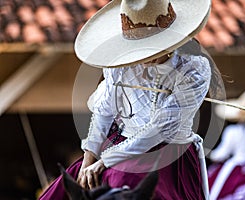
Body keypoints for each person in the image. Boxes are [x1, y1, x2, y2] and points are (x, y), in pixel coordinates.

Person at [39, 0, 216, 199]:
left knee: (126, 183)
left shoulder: (193, 69)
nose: (147, 54)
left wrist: (106, 161)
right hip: (120, 145)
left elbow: (160, 128)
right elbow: (104, 111)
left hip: (168, 155)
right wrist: (89, 158)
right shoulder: (121, 64)